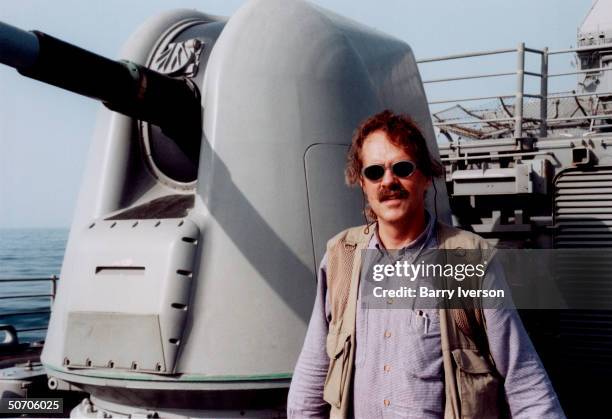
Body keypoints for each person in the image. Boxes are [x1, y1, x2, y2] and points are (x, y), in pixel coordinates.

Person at [287, 110, 565, 418]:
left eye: (402, 168)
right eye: (375, 172)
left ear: (425, 177)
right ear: (362, 184)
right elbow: (313, 374)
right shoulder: (342, 256)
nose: (388, 181)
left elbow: (522, 377)